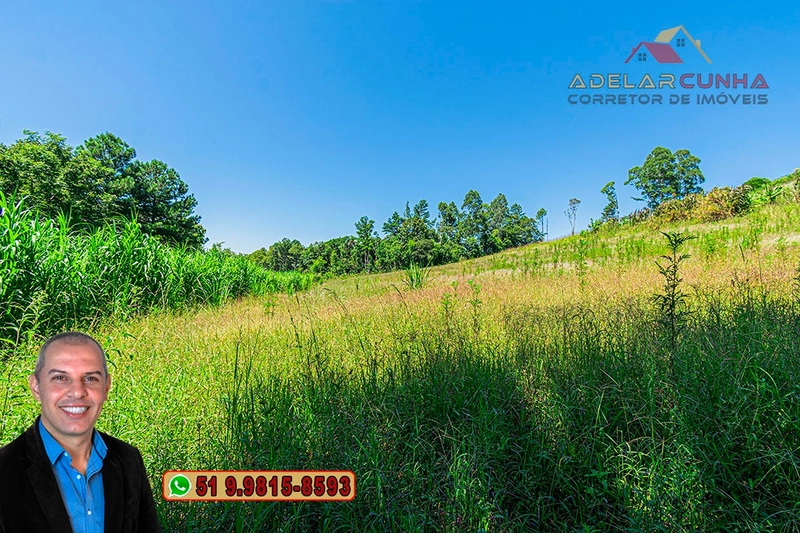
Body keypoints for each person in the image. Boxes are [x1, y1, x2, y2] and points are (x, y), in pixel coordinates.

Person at [0, 331, 161, 533]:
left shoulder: (129, 460)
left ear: (106, 386)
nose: (77, 392)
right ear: (36, 387)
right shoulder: (4, 470)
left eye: (91, 378)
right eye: (60, 377)